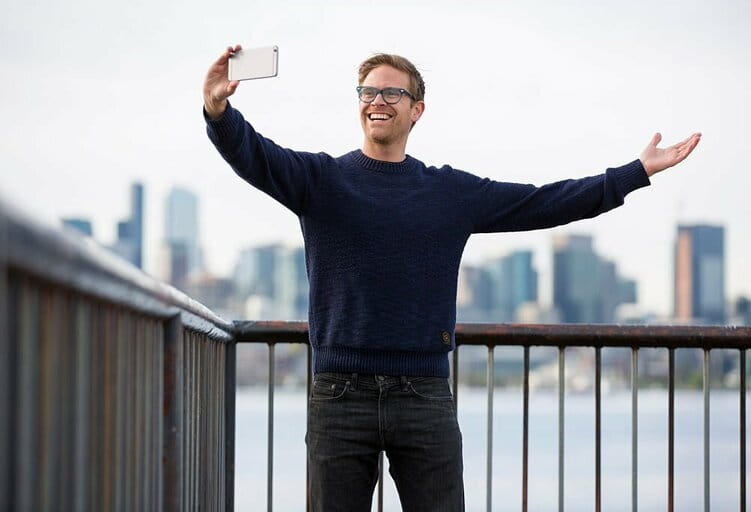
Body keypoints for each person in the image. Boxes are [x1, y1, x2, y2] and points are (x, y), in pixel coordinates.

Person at [203, 45, 700, 511]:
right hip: (339, 395)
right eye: (368, 92)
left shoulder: (449, 192)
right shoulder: (320, 180)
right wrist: (218, 110)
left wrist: (635, 172)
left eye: (392, 92)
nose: (378, 101)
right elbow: (254, 156)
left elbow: (544, 202)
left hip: (424, 394)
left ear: (416, 109)